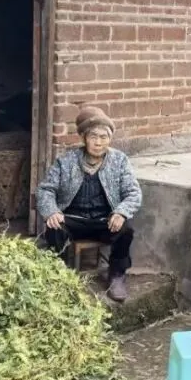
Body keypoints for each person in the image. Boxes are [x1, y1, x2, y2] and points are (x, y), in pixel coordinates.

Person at [36, 106, 142, 302]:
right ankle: (57, 275)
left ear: (109, 139)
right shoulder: (66, 161)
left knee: (125, 231)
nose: (98, 142)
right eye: (93, 137)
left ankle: (117, 275)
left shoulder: (119, 160)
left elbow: (133, 193)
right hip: (73, 219)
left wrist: (121, 212)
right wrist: (51, 211)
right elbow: (45, 189)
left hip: (104, 220)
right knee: (54, 228)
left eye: (103, 137)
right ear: (84, 138)